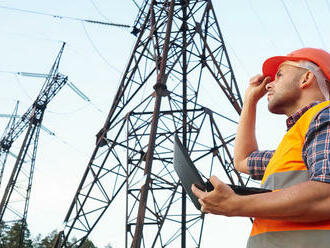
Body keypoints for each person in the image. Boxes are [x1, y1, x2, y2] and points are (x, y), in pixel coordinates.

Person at [192, 47, 330, 248]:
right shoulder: (295, 142)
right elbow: (242, 160)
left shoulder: (323, 116)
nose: (268, 85)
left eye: (279, 75)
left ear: (306, 78)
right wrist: (250, 100)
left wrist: (235, 204)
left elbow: (326, 194)